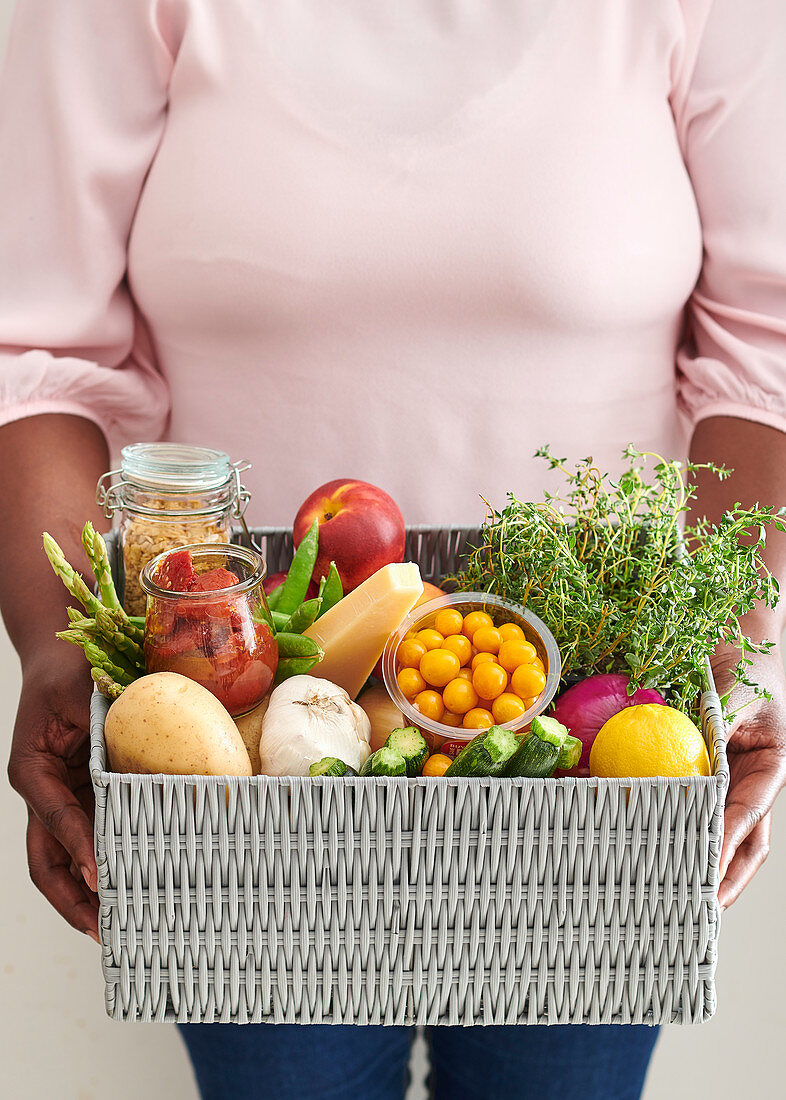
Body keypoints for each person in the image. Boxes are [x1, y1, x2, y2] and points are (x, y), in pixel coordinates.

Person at [1, 2, 785, 1098]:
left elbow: (769, 338)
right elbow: (34, 345)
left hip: (591, 747)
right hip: (238, 735)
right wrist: (52, 650)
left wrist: (743, 648)